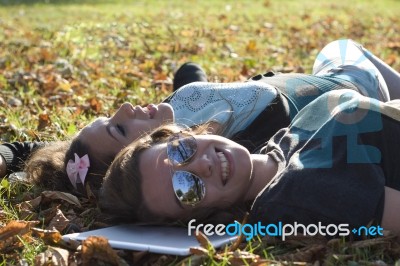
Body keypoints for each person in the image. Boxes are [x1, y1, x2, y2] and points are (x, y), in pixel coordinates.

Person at [2, 39, 400, 196]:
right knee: (341, 46)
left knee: (190, 75)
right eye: (119, 126)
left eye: (109, 116)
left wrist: (7, 153)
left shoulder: (173, 114)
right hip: (354, 78)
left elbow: (55, 150)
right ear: (146, 150)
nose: (124, 108)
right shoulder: (234, 151)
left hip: (288, 80)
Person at [99, 89, 400, 238]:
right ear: (203, 221)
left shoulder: (282, 144)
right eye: (186, 188)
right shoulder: (292, 199)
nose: (200, 165)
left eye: (180, 150)